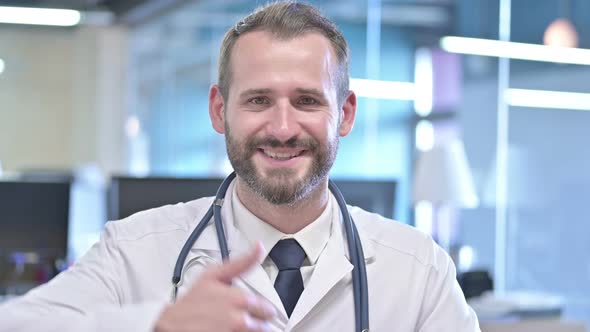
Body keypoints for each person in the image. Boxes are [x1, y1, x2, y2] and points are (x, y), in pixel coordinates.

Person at [0, 2, 480, 331]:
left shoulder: (419, 272)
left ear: (346, 114)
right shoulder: (133, 251)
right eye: (258, 100)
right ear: (218, 110)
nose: (283, 127)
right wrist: (157, 323)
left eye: (308, 100)